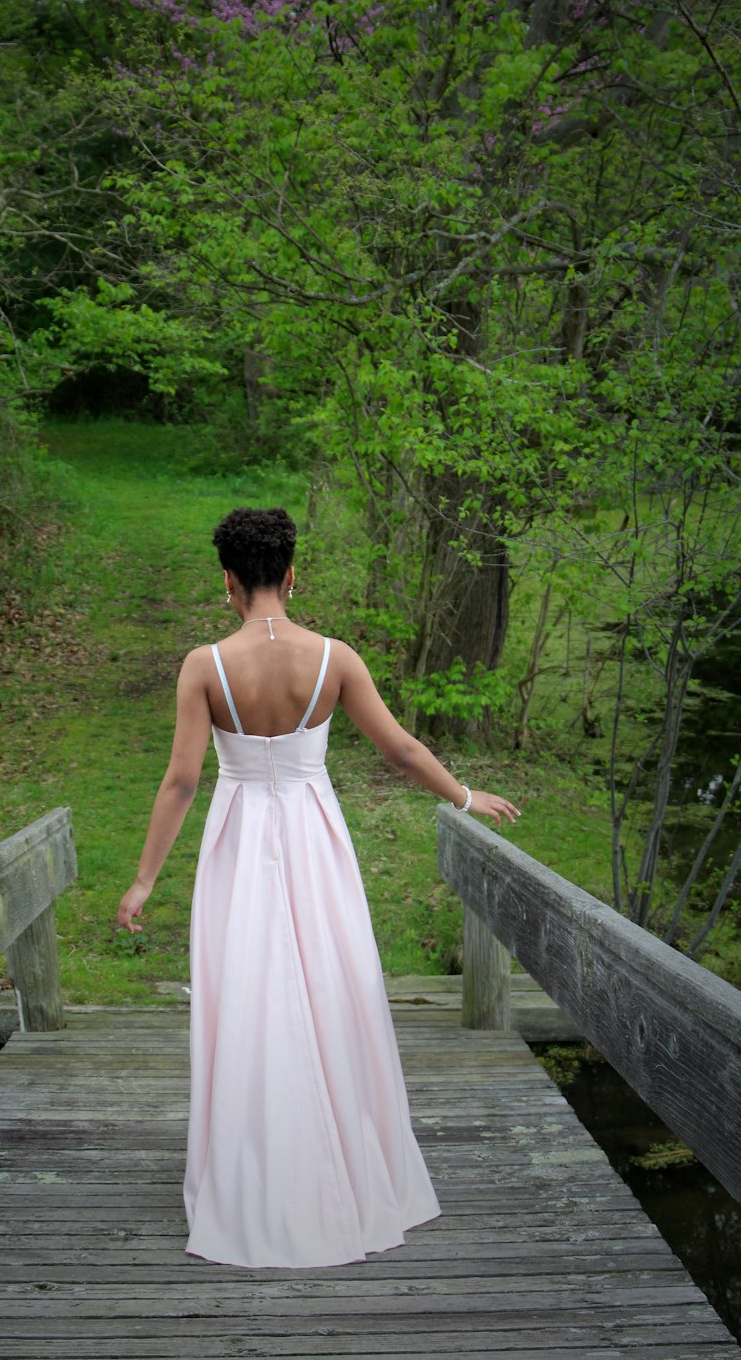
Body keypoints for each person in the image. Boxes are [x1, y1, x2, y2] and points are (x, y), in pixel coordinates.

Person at [117, 507, 518, 1268]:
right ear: (292, 574)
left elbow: (182, 781)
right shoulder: (335, 657)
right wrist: (464, 796)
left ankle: (253, 1173)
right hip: (312, 834)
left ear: (228, 582)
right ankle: (347, 1167)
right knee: (332, 986)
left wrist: (143, 881)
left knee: (247, 992)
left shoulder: (204, 665)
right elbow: (399, 750)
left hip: (238, 838)